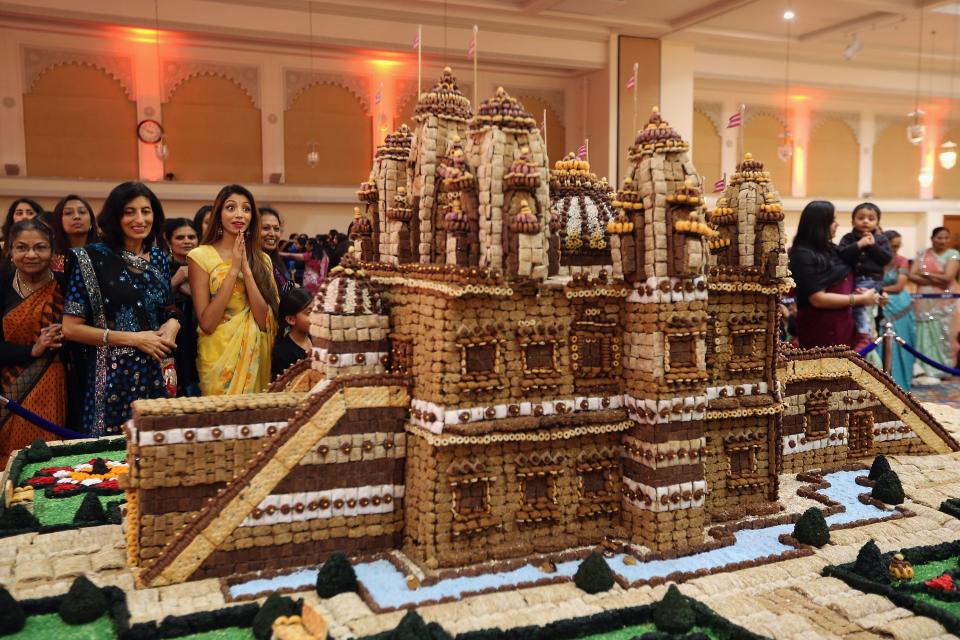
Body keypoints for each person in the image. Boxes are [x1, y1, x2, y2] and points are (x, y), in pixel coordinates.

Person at [62, 182, 180, 436]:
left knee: (158, 448)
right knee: (112, 458)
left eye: (146, 211)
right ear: (115, 216)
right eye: (129, 212)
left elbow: (170, 307)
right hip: (113, 375)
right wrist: (135, 339)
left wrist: (173, 324)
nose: (139, 219)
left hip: (159, 367)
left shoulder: (159, 257)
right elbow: (70, 328)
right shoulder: (91, 258)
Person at [188, 184, 278, 395]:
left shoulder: (262, 259)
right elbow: (208, 323)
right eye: (231, 207)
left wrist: (246, 270)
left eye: (246, 209)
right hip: (218, 358)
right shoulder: (200, 256)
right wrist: (233, 269)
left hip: (255, 355)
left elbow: (264, 320)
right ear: (218, 214)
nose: (239, 214)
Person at [0, 220, 65, 465]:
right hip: (8, 388)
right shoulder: (2, 284)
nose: (31, 255)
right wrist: (33, 349)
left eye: (40, 247)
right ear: (10, 250)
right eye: (21, 248)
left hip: (56, 383)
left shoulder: (65, 285)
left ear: (52, 250)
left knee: (49, 461)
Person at [788, 200, 881, 350]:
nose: (836, 224)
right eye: (833, 220)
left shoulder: (831, 249)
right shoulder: (802, 254)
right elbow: (817, 298)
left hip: (844, 321)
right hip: (820, 326)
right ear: (820, 224)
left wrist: (858, 293)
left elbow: (840, 282)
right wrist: (859, 299)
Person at [838, 203, 892, 349]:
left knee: (859, 306)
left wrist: (873, 246)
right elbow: (842, 255)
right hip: (849, 280)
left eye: (871, 218)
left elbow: (886, 259)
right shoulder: (848, 238)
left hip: (871, 281)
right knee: (848, 309)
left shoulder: (881, 239)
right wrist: (859, 244)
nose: (866, 221)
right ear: (852, 221)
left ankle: (864, 335)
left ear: (877, 222)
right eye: (861, 218)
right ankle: (854, 336)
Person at [866, 230, 916, 391]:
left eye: (897, 246)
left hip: (899, 306)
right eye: (892, 246)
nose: (895, 250)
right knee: (878, 342)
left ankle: (902, 385)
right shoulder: (875, 260)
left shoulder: (901, 261)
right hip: (878, 304)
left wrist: (875, 289)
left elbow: (899, 286)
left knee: (901, 344)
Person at [909, 226, 960, 383]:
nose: (943, 241)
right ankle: (924, 367)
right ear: (932, 238)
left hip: (946, 300)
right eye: (939, 237)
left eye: (946, 238)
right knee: (923, 329)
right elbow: (911, 275)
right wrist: (938, 277)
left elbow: (948, 277)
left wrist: (925, 274)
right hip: (924, 299)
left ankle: (945, 367)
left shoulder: (954, 255)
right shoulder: (923, 253)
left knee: (945, 332)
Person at [164, 219, 201, 396]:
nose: (187, 241)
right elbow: (152, 300)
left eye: (191, 236)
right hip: (172, 340)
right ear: (169, 241)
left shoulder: (206, 267)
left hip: (201, 335)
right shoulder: (160, 266)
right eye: (180, 237)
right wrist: (176, 280)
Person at [271, 287, 313, 379]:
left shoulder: (317, 340)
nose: (316, 316)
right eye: (308, 313)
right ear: (291, 319)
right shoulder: (283, 353)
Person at [50, 194, 99, 272]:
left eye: (82, 212)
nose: (77, 216)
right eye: (68, 213)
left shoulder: (103, 252)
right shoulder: (51, 255)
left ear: (91, 221)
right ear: (59, 221)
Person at [260, 206, 294, 295]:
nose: (272, 234)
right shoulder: (249, 265)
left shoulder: (275, 260)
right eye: (266, 228)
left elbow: (286, 288)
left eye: (276, 229)